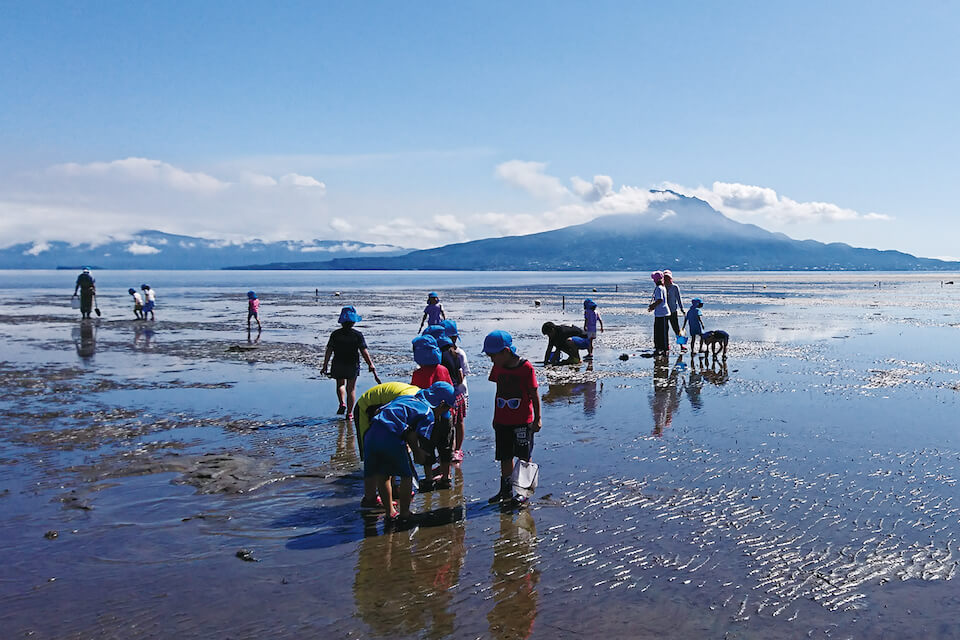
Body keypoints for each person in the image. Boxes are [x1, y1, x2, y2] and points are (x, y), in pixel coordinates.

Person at [363, 382, 456, 522]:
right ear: (441, 404)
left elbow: (378, 411)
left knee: (383, 475)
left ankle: (390, 512)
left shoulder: (406, 398)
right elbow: (412, 435)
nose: (443, 413)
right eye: (446, 409)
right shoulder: (427, 412)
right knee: (406, 476)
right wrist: (417, 452)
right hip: (391, 436)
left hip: (371, 433)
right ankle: (405, 513)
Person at [483, 330, 541, 505]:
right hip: (502, 420)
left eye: (493, 355)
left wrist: (537, 418)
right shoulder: (498, 368)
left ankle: (523, 491)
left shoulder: (525, 367)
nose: (492, 360)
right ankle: (506, 490)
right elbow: (498, 392)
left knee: (523, 456)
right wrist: (495, 417)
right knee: (505, 456)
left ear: (506, 352)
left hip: (523, 421)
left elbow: (534, 393)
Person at [354, 381, 420, 509]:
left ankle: (393, 488)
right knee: (371, 454)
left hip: (382, 412)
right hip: (365, 408)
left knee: (392, 448)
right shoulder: (409, 401)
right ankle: (370, 498)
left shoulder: (418, 399)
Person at [410, 334, 454, 489]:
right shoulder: (443, 369)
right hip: (445, 415)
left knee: (427, 446)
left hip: (426, 418)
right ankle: (446, 477)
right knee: (445, 446)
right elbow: (450, 391)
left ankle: (428, 478)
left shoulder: (418, 374)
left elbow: (414, 395)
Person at [321, 306, 379, 420]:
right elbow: (364, 351)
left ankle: (342, 403)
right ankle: (349, 413)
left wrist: (325, 365)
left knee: (340, 385)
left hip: (338, 363)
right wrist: (370, 364)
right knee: (351, 389)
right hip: (352, 364)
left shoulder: (335, 334)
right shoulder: (357, 335)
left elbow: (329, 351)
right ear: (353, 322)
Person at [443, 319, 470, 462]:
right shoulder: (441, 353)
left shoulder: (460, 354)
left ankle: (457, 449)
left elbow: (463, 375)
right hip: (447, 394)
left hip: (459, 393)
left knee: (458, 422)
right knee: (449, 423)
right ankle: (451, 449)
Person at [662, 270, 686, 352]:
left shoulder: (675, 287)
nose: (667, 279)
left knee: (677, 329)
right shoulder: (662, 287)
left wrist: (682, 309)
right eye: (665, 278)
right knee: (665, 329)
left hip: (673, 311)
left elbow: (679, 298)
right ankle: (666, 345)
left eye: (668, 278)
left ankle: (681, 345)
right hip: (664, 312)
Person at [647, 271, 669, 356]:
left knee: (662, 332)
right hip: (659, 313)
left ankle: (664, 348)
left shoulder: (660, 288)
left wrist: (652, 306)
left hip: (663, 313)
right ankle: (658, 347)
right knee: (657, 331)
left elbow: (660, 300)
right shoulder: (661, 288)